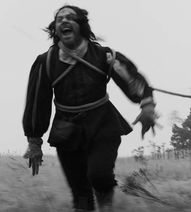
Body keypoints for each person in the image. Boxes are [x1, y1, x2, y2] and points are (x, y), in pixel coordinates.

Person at [22, 5, 158, 211]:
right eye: (60, 19)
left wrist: (147, 106)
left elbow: (134, 83)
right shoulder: (46, 62)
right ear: (55, 28)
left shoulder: (104, 56)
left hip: (102, 124)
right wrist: (34, 141)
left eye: (70, 18)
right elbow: (36, 103)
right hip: (66, 131)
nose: (64, 21)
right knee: (81, 194)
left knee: (100, 176)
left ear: (81, 26)